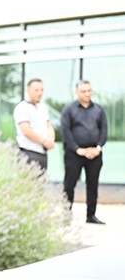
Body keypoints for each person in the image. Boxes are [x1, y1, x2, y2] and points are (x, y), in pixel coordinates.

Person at [61, 79, 108, 224]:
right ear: (77, 92)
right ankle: (66, 215)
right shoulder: (69, 110)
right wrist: (77, 149)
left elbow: (104, 130)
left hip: (94, 153)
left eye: (89, 91)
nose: (87, 94)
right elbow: (65, 131)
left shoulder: (99, 110)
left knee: (92, 184)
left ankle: (91, 215)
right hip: (74, 153)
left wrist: (98, 148)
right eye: (84, 91)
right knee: (70, 184)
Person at [13, 78, 55, 172]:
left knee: (41, 184)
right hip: (28, 154)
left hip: (43, 153)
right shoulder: (22, 108)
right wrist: (44, 142)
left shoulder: (43, 108)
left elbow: (49, 126)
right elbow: (26, 131)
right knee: (28, 184)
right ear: (28, 90)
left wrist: (51, 140)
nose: (40, 93)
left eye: (42, 90)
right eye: (36, 90)